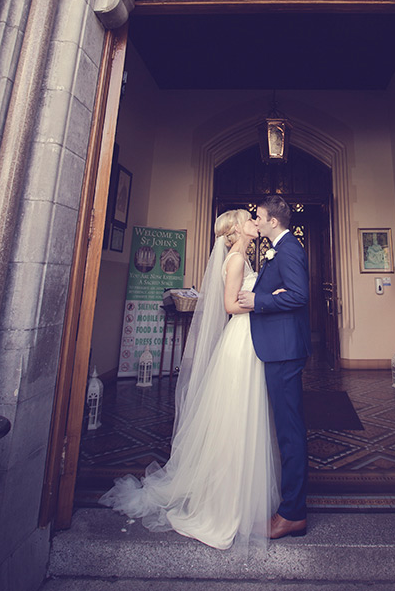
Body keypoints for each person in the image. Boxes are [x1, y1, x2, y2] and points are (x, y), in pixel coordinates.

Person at [100, 209, 280, 552]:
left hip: (247, 339)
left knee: (239, 419)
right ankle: (225, 503)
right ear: (236, 229)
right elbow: (229, 305)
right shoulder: (237, 259)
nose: (255, 222)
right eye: (249, 219)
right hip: (241, 342)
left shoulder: (240, 256)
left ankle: (239, 496)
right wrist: (264, 304)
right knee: (236, 418)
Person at [238, 195, 312, 540]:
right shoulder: (278, 249)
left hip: (284, 352)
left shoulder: (290, 249)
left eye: (259, 216)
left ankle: (293, 514)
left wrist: (259, 301)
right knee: (285, 429)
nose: (257, 219)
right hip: (277, 349)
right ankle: (290, 507)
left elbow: (299, 295)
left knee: (290, 432)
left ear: (272, 222)